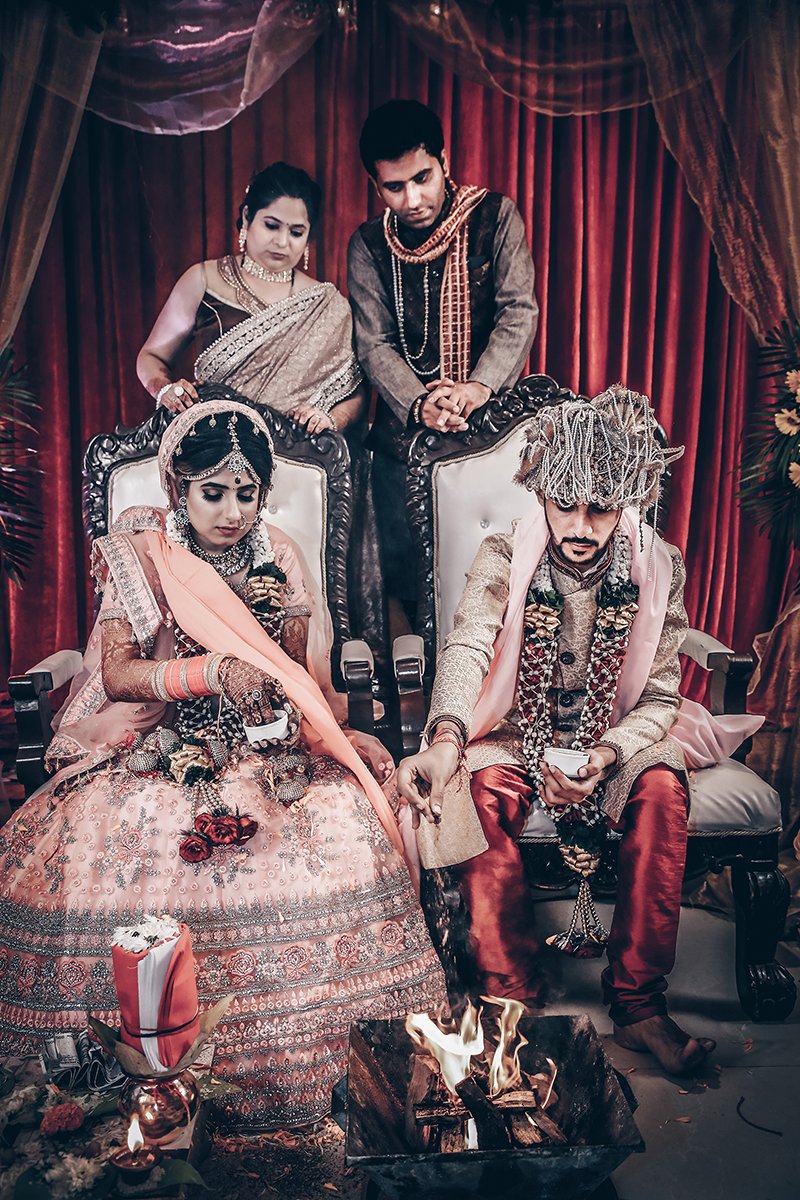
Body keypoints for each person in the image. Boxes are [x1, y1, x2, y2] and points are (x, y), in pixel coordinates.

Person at [0, 394, 447, 1130]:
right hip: (161, 744)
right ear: (178, 487)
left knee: (342, 824)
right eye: (213, 493)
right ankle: (142, 1084)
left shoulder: (279, 556)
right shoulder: (145, 557)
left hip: (264, 747)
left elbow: (296, 671)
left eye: (247, 493)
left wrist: (295, 721)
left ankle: (321, 1068)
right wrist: (211, 672)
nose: (232, 511)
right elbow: (119, 675)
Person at [396, 385, 760, 1077]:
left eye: (602, 507)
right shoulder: (504, 554)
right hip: (513, 728)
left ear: (627, 502)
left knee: (662, 786)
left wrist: (608, 753)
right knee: (475, 797)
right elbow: (468, 647)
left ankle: (639, 1006)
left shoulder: (658, 565)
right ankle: (512, 1003)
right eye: (566, 504)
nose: (583, 525)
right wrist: (445, 739)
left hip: (615, 733)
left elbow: (660, 695)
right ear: (541, 495)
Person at [137, 161, 384, 651]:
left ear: (309, 238)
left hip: (297, 467)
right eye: (271, 225)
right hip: (214, 467)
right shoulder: (204, 280)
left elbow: (356, 393)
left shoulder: (326, 304)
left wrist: (330, 417)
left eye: (297, 231)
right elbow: (151, 358)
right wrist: (165, 389)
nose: (282, 241)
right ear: (246, 219)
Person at [348, 99, 538, 624]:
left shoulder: (495, 217)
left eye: (422, 178)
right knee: (404, 586)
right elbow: (373, 343)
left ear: (444, 161)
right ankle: (411, 675)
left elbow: (518, 313)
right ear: (376, 186)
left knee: (500, 582)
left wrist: (477, 388)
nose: (412, 199)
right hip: (403, 439)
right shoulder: (368, 245)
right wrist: (420, 404)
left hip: (493, 427)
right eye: (394, 187)